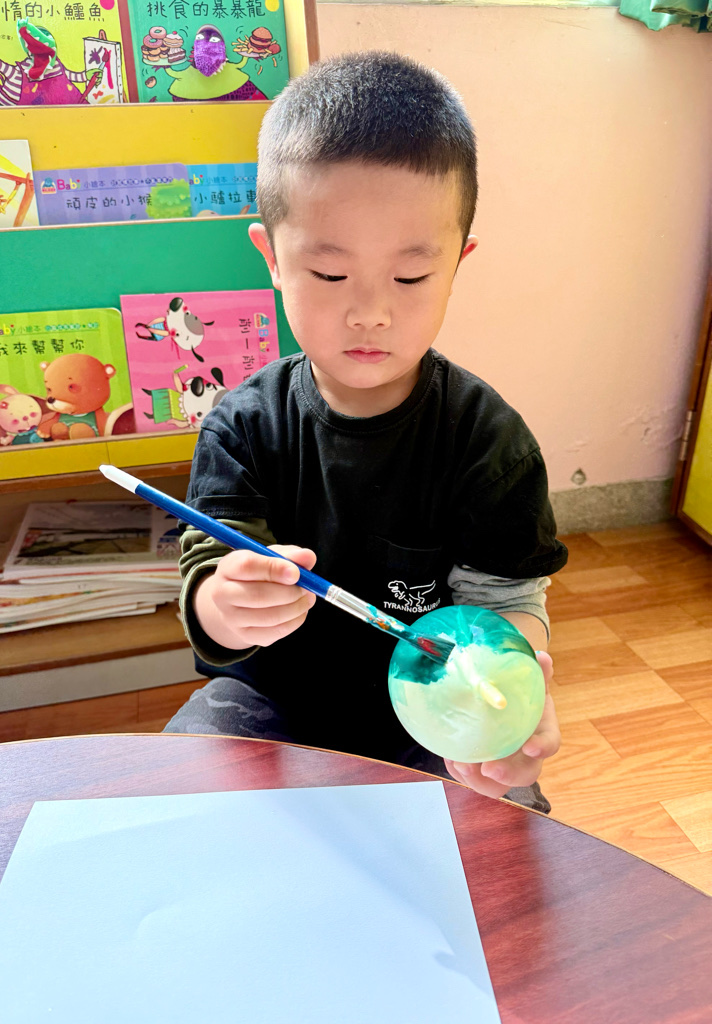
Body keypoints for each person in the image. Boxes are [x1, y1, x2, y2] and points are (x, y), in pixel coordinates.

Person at [165, 51, 568, 812]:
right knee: (180, 788)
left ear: (458, 264)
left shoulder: (489, 441)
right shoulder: (241, 427)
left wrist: (512, 687)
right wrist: (227, 604)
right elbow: (209, 580)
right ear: (271, 258)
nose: (371, 313)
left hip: (434, 713)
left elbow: (506, 600)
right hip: (270, 703)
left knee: (505, 823)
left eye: (411, 278)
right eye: (330, 274)